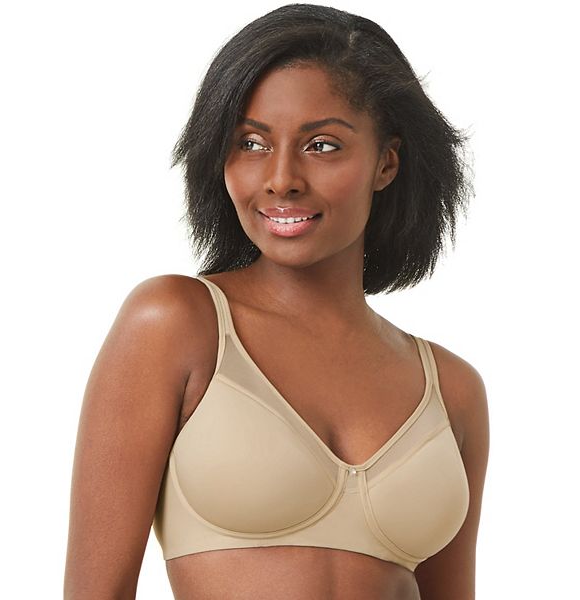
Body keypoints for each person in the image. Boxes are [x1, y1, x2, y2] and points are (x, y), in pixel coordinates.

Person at [64, 4, 489, 599]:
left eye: (321, 145)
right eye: (251, 143)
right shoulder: (177, 324)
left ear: (386, 162)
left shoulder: (452, 389)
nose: (281, 177)